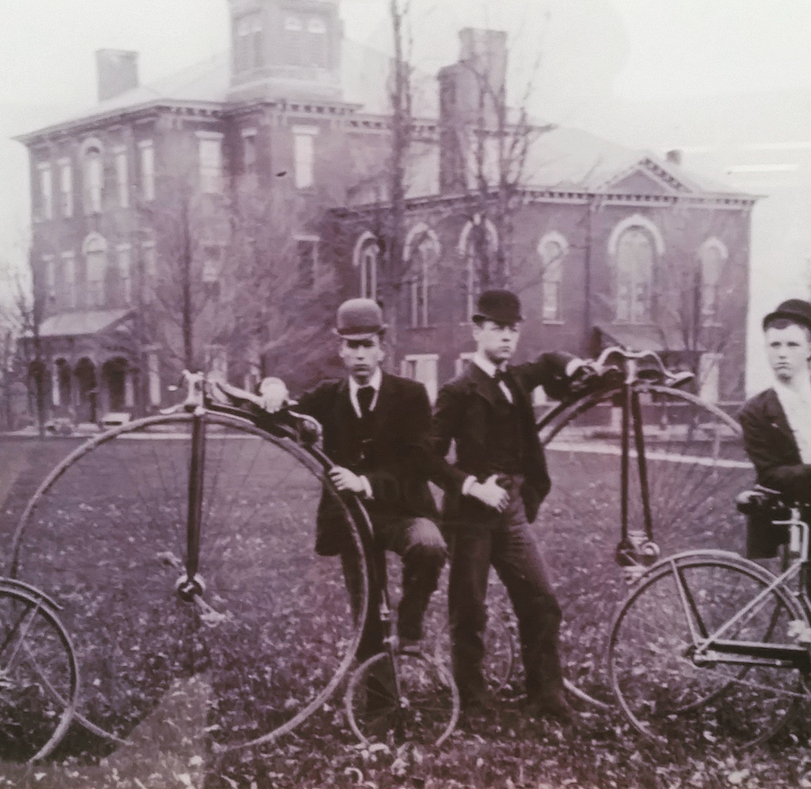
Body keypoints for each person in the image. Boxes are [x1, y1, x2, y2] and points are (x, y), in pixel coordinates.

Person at [430, 289, 592, 722]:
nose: (506, 337)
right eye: (497, 328)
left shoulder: (516, 380)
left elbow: (549, 362)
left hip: (513, 511)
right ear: (477, 330)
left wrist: (574, 363)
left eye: (513, 330)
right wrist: (470, 486)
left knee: (540, 600)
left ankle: (546, 695)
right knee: (469, 610)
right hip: (470, 516)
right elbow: (427, 456)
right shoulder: (458, 390)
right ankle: (472, 702)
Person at [260, 297, 447, 659]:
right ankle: (378, 704)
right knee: (366, 612)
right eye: (352, 346)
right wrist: (273, 388)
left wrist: (366, 483)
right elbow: (284, 415)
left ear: (382, 349)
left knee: (429, 545)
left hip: (402, 511)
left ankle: (409, 628)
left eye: (368, 345)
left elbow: (419, 464)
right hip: (352, 522)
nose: (360, 355)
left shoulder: (411, 395)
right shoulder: (328, 397)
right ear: (340, 350)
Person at [739, 299, 811, 558]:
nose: (782, 353)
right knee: (794, 594)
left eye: (793, 345)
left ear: (809, 349)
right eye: (775, 345)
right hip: (785, 516)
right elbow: (770, 473)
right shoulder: (755, 411)